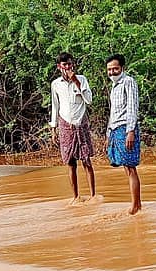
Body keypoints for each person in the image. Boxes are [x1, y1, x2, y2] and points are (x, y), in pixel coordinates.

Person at [49, 52, 96, 202]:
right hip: (65, 124)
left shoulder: (82, 80)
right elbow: (55, 106)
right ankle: (76, 197)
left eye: (70, 64)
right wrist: (53, 128)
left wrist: (76, 81)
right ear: (59, 67)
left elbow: (89, 100)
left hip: (80, 123)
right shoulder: (56, 84)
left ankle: (93, 196)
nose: (68, 67)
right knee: (70, 163)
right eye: (64, 65)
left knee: (86, 160)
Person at [106, 54, 142, 215]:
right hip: (115, 129)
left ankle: (135, 205)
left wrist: (131, 131)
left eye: (115, 69)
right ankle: (137, 204)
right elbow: (113, 112)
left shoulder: (129, 82)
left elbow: (133, 108)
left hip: (126, 128)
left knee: (130, 167)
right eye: (109, 69)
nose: (112, 72)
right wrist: (108, 134)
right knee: (126, 168)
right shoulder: (114, 87)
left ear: (122, 68)